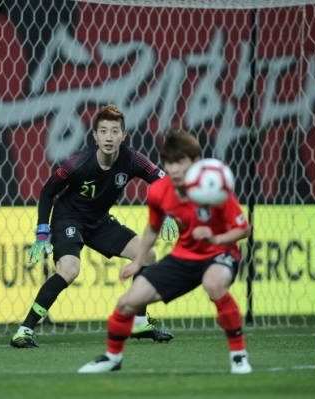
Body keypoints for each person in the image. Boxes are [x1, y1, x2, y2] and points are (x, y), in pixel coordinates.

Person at [78, 128, 252, 374]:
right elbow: (152, 228)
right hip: (184, 257)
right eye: (169, 163)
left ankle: (238, 356)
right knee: (128, 302)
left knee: (214, 284)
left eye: (180, 162)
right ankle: (112, 358)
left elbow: (243, 230)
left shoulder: (214, 185)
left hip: (220, 253)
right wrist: (138, 261)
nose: (173, 169)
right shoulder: (160, 191)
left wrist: (216, 238)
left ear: (196, 162)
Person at [10, 104, 178, 348]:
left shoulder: (133, 159)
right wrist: (42, 233)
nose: (109, 137)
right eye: (103, 131)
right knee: (69, 270)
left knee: (148, 255)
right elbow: (48, 192)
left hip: (99, 221)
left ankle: (140, 323)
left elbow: (163, 181)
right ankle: (24, 331)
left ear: (124, 135)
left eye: (114, 132)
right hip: (68, 219)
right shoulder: (77, 164)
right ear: (95, 136)